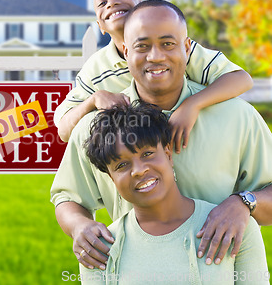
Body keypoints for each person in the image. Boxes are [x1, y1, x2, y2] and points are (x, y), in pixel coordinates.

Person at [50, 0, 272, 272]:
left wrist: (244, 203)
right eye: (142, 46)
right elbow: (67, 197)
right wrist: (79, 226)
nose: (155, 56)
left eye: (168, 44)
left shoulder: (238, 117)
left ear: (187, 47)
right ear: (125, 50)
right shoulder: (96, 128)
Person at [54, 0, 253, 156]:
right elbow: (63, 129)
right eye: (102, 3)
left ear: (142, 6)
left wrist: (192, 104)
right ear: (100, 26)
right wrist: (93, 100)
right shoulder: (96, 69)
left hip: (192, 145)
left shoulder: (176, 49)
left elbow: (240, 79)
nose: (112, 3)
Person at [79, 102, 269, 285]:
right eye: (121, 165)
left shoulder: (233, 227)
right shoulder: (98, 248)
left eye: (147, 154)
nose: (138, 170)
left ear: (168, 155)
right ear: (112, 179)